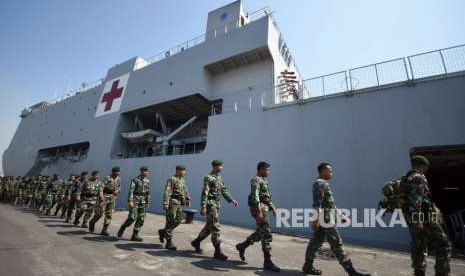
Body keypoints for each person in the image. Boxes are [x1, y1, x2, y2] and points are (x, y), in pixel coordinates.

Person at [302, 163, 370, 276]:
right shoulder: (320, 184)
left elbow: (330, 204)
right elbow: (317, 204)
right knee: (337, 245)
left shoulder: (324, 184)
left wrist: (340, 215)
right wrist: (316, 220)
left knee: (315, 242)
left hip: (326, 218)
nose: (331, 173)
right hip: (326, 220)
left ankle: (307, 266)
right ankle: (351, 272)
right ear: (323, 171)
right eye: (330, 171)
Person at [401, 155, 451, 276]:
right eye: (426, 167)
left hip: (413, 219)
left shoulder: (406, 178)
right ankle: (441, 273)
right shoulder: (418, 178)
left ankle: (419, 273)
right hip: (425, 218)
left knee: (419, 246)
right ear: (423, 166)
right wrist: (417, 220)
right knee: (444, 245)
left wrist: (414, 220)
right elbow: (416, 200)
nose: (427, 169)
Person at [236, 161, 280, 272]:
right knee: (266, 233)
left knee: (261, 232)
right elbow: (255, 195)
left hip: (264, 208)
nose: (268, 172)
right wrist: (258, 210)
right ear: (261, 169)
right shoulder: (256, 180)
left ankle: (242, 246)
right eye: (267, 170)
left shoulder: (264, 180)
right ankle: (267, 261)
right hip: (259, 208)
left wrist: (273, 208)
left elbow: (266, 198)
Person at [191, 160, 238, 261]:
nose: (221, 167)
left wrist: (231, 199)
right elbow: (205, 192)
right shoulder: (208, 178)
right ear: (214, 166)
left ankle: (196, 242)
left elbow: (224, 190)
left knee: (209, 227)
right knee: (215, 227)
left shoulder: (220, 178)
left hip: (217, 205)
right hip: (210, 204)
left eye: (222, 166)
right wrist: (203, 206)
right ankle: (217, 252)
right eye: (219, 166)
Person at [158, 165, 190, 250]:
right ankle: (169, 242)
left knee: (178, 220)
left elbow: (185, 190)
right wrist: (165, 203)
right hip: (172, 202)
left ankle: (163, 232)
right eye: (183, 170)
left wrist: (187, 199)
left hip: (180, 203)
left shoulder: (182, 180)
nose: (185, 172)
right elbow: (167, 191)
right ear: (178, 171)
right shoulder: (171, 179)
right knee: (170, 220)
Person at [117, 166, 150, 241]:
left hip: (143, 201)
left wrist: (147, 201)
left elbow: (148, 192)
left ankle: (135, 235)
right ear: (141, 171)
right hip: (135, 200)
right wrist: (130, 201)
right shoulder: (135, 180)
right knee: (132, 217)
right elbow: (131, 191)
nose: (146, 173)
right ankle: (123, 226)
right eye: (144, 171)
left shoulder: (147, 181)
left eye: (147, 171)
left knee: (141, 218)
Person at [89, 166, 121, 236]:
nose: (118, 173)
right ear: (113, 172)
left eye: (119, 171)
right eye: (117, 171)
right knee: (99, 213)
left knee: (109, 214)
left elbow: (119, 188)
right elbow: (101, 187)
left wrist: (117, 191)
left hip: (112, 197)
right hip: (104, 196)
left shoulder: (118, 179)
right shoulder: (108, 178)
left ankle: (104, 230)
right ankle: (92, 222)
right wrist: (101, 197)